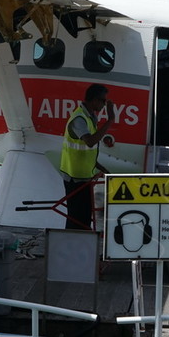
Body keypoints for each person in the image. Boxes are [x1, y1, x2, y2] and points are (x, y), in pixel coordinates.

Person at [59, 83, 111, 229]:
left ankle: (79, 247)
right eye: (103, 101)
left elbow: (87, 152)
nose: (104, 105)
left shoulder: (90, 117)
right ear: (94, 100)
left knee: (84, 218)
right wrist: (110, 121)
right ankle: (70, 247)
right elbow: (90, 142)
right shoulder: (79, 119)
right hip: (75, 178)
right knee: (76, 219)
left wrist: (101, 168)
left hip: (84, 177)